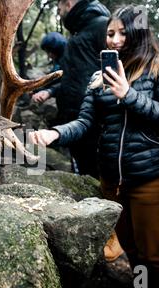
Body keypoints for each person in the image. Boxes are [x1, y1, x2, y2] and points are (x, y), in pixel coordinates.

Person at [29, 5, 159, 288]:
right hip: (113, 182)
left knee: (154, 255)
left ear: (138, 33)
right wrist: (56, 132)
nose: (113, 40)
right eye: (110, 33)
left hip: (151, 178)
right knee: (134, 251)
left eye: (122, 33)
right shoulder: (99, 78)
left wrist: (129, 94)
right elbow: (85, 122)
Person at [31, 0, 111, 179]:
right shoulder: (78, 33)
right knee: (84, 169)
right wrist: (50, 91)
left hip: (93, 119)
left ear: (68, 4)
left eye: (59, 8)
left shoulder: (101, 26)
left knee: (96, 171)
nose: (58, 12)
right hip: (76, 118)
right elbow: (73, 78)